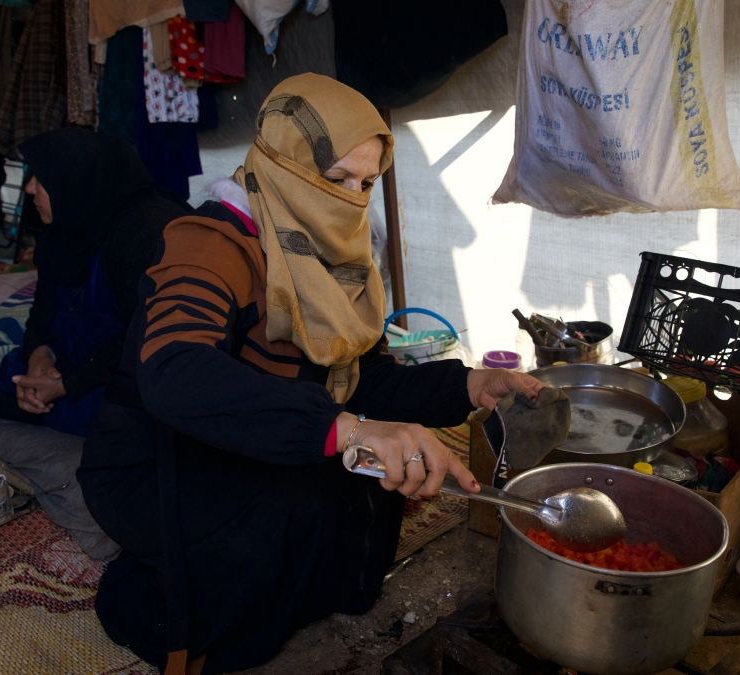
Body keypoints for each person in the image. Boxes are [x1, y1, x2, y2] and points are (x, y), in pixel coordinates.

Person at [77, 73, 546, 673]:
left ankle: (297, 600)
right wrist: (348, 431)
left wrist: (466, 384)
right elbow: (175, 372)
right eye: (335, 178)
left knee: (363, 486)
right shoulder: (210, 243)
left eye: (366, 181)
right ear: (281, 161)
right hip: (161, 456)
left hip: (260, 427)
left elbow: (353, 378)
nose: (352, 197)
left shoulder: (327, 253)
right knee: (291, 506)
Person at [0, 127, 190, 560]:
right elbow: (44, 310)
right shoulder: (65, 226)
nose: (28, 189)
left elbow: (152, 333)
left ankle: (48, 412)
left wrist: (68, 383)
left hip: (133, 364)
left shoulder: (145, 233)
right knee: (18, 369)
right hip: (77, 357)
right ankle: (42, 402)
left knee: (131, 418)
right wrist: (41, 356)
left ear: (75, 179)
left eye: (39, 178)